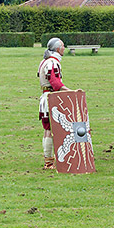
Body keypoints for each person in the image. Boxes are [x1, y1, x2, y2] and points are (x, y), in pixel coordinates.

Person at [37, 38, 71, 169]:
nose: (64, 48)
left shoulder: (45, 61)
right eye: (62, 46)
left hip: (46, 96)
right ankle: (49, 162)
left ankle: (49, 160)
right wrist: (70, 91)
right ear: (58, 49)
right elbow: (55, 83)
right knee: (50, 129)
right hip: (50, 97)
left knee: (48, 129)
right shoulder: (52, 63)